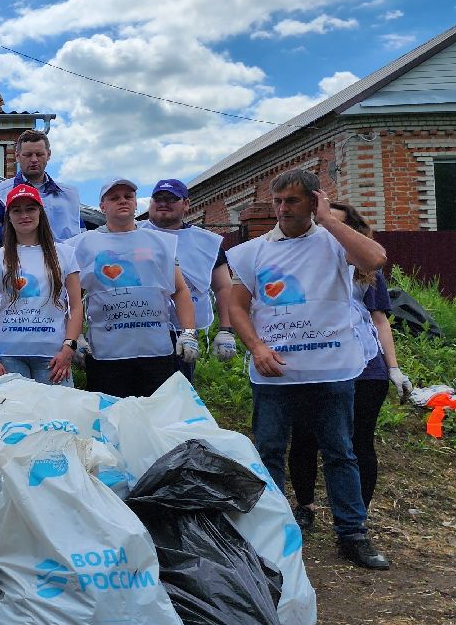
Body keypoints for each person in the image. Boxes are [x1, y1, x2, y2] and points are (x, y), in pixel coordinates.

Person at [224, 169, 391, 571]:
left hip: (332, 370)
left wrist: (330, 219)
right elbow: (236, 306)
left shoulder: (334, 242)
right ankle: (272, 533)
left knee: (340, 452)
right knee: (268, 452)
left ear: (313, 200)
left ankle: (352, 534)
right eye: (278, 202)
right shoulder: (253, 251)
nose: (283, 209)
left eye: (292, 201)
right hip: (275, 372)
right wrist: (256, 346)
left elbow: (375, 259)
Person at [287, 201, 412, 533]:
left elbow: (379, 320)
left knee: (359, 441)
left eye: (334, 226)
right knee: (305, 436)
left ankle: (357, 513)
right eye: (321, 225)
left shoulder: (367, 271)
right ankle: (305, 506)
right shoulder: (298, 265)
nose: (327, 232)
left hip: (363, 367)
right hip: (314, 364)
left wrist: (393, 367)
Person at [71, 179, 198, 398]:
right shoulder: (82, 245)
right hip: (107, 354)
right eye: (114, 197)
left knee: (155, 419)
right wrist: (76, 338)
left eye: (128, 196)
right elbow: (72, 298)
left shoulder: (160, 242)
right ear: (102, 206)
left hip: (155, 353)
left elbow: (180, 290)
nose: (122, 201)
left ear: (136, 203)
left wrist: (188, 333)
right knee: (111, 420)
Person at [0, 184, 83, 385]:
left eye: (30, 208)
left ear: (40, 213)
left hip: (53, 356)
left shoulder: (65, 254)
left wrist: (68, 347)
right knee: (13, 416)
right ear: (8, 217)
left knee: (56, 415)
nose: (24, 215)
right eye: (16, 210)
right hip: (8, 355)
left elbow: (76, 306)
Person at [140, 178, 237, 376]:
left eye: (171, 198)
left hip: (183, 334)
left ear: (186, 204)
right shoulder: (134, 234)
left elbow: (223, 287)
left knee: (177, 395)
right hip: (138, 328)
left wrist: (226, 329)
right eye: (158, 198)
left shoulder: (206, 242)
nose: (163, 203)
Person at [0, 129, 82, 249]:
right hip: (19, 264)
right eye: (28, 155)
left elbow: (81, 234)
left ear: (48, 155)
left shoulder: (70, 194)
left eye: (39, 154)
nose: (34, 160)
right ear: (17, 156)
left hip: (66, 264)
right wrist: (23, 228)